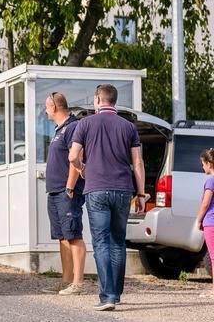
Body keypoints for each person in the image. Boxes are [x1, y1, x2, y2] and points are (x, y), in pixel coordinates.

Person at [68, 84, 146, 311]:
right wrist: (140, 193)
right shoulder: (128, 127)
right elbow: (138, 163)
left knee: (101, 242)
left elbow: (73, 156)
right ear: (114, 101)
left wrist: (82, 168)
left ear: (97, 100)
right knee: (118, 242)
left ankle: (107, 296)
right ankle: (116, 293)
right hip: (123, 189)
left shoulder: (84, 124)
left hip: (97, 189)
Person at [41, 92, 86, 296]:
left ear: (55, 108)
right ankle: (66, 281)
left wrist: (69, 187)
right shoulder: (59, 129)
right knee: (62, 237)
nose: (45, 110)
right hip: (55, 191)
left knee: (73, 235)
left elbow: (76, 158)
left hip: (67, 191)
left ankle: (78, 282)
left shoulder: (73, 127)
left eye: (46, 107)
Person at [197, 148, 214, 299]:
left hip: (211, 222)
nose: (202, 167)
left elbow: (205, 203)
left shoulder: (210, 181)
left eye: (203, 163)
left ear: (209, 163)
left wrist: (199, 219)